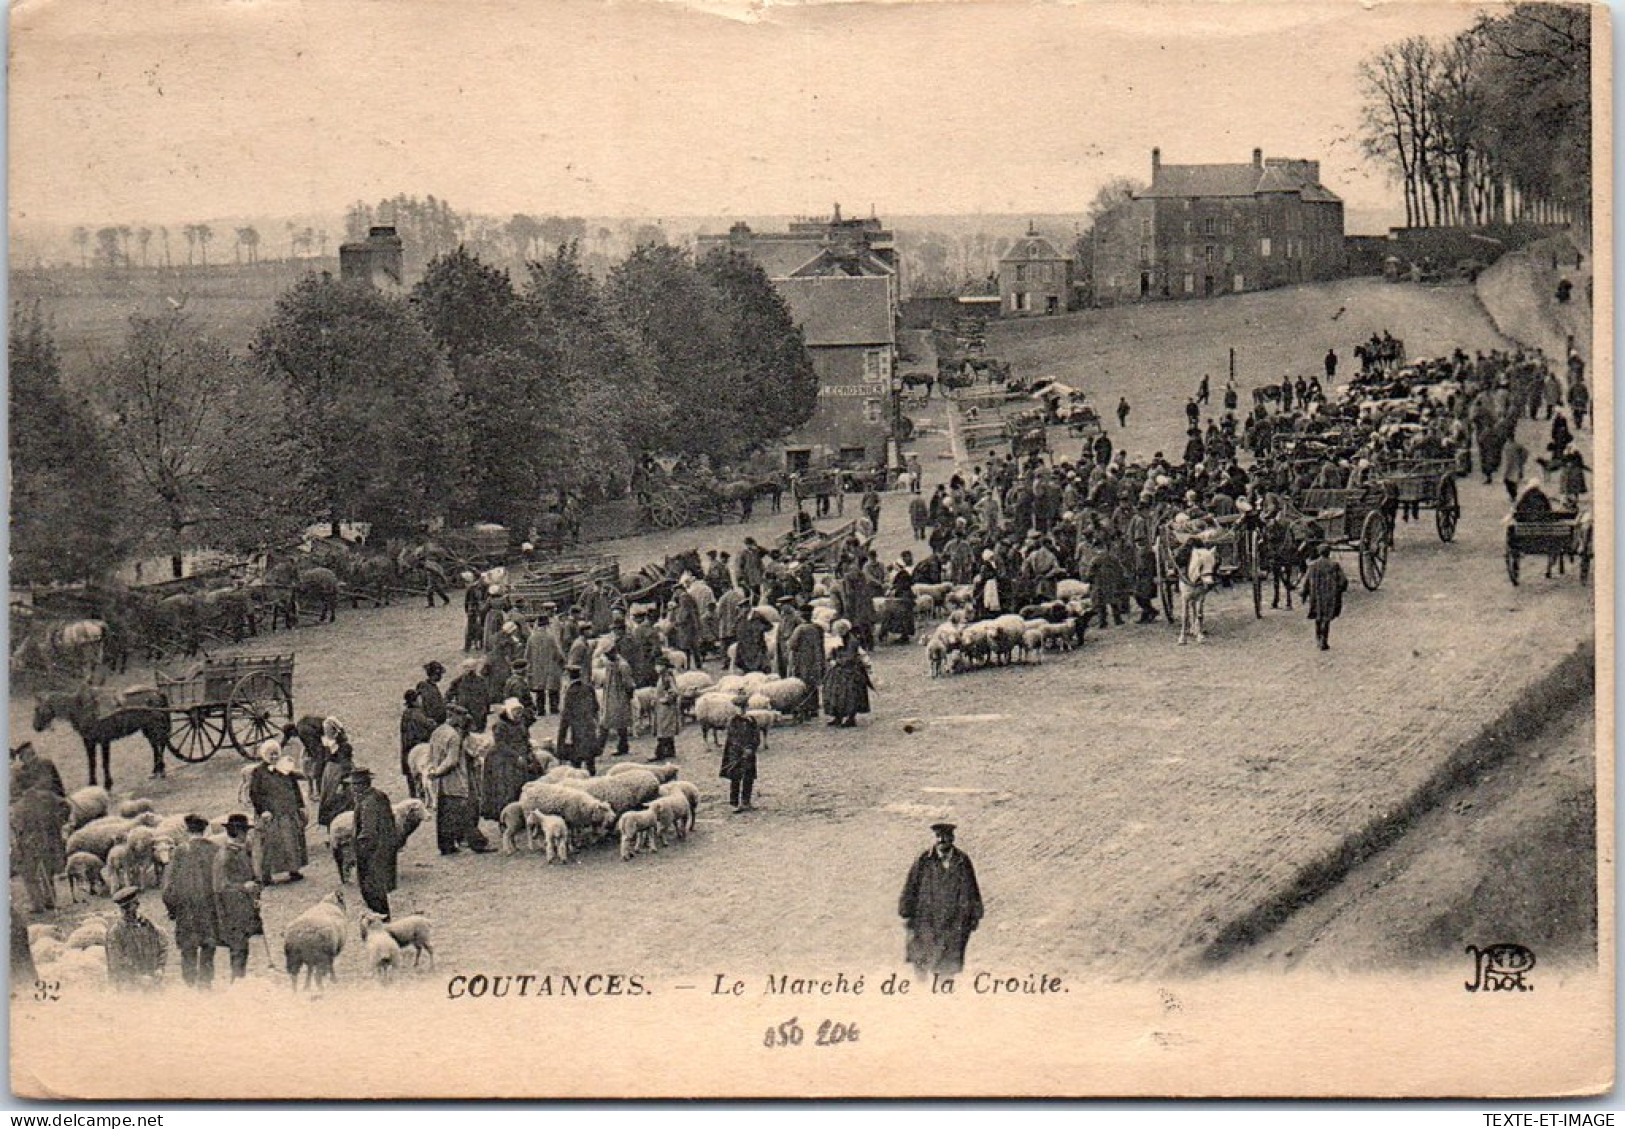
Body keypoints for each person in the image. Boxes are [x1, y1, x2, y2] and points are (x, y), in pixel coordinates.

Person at [898, 823, 984, 979]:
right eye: (939, 837)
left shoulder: (962, 861)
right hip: (926, 920)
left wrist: (975, 915)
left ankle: (944, 996)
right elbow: (911, 885)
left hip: (953, 922)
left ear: (952, 838)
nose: (942, 840)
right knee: (922, 961)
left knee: (947, 966)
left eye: (946, 837)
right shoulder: (924, 860)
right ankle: (920, 996)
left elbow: (972, 888)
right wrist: (906, 911)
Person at [161, 814, 221, 988]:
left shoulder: (180, 851)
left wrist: (172, 908)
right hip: (210, 907)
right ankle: (205, 982)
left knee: (188, 946)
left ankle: (189, 983)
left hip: (186, 909)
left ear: (187, 831)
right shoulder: (215, 849)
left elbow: (168, 885)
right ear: (205, 830)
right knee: (209, 944)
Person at [428, 705, 491, 854]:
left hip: (441, 783)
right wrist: (438, 772)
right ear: (454, 716)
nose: (463, 720)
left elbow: (432, 754)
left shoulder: (437, 732)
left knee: (444, 814)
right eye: (461, 717)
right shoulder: (454, 736)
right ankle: (478, 843)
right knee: (464, 812)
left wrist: (434, 771)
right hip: (455, 780)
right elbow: (452, 760)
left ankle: (446, 846)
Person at [248, 739, 308, 884]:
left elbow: (294, 788)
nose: (274, 757)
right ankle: (266, 876)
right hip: (271, 814)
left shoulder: (284, 768)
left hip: (287, 812)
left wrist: (300, 806)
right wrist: (263, 810)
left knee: (291, 842)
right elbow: (254, 793)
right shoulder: (258, 772)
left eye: (276, 754)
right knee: (269, 845)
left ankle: (294, 870)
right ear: (264, 755)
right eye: (271, 754)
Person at [211, 814, 263, 981]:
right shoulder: (224, 856)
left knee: (242, 948)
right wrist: (243, 887)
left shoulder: (240, 851)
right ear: (239, 832)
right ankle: (237, 985)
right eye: (245, 832)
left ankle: (239, 981)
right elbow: (220, 887)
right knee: (238, 949)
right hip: (231, 910)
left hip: (243, 907)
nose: (247, 836)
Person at [11, 777, 69, 912]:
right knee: (47, 871)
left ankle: (38, 905)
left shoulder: (19, 807)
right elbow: (65, 805)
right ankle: (50, 900)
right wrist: (60, 821)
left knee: (30, 875)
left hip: (29, 843)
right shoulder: (47, 796)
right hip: (48, 840)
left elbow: (18, 828)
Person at [348, 768, 401, 917]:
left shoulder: (367, 803)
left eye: (353, 785)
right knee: (379, 887)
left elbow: (368, 832)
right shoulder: (380, 796)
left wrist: (359, 852)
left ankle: (382, 920)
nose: (351, 789)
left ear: (360, 786)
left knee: (372, 889)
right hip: (385, 847)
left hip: (372, 853)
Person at [105, 886, 168, 990]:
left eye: (135, 904)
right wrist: (137, 978)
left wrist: (160, 968)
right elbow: (116, 963)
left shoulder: (148, 925)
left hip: (152, 982)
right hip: (129, 987)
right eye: (126, 908)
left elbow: (163, 945)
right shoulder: (116, 932)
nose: (130, 912)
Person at [483, 698, 535, 820]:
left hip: (521, 756)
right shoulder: (500, 725)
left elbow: (525, 739)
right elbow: (501, 745)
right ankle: (505, 815)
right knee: (506, 787)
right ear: (509, 711)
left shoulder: (521, 723)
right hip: (504, 759)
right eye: (516, 711)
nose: (519, 714)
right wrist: (516, 756)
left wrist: (529, 752)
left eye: (519, 711)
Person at [824, 621, 874, 728]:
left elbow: (850, 657)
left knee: (849, 694)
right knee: (834, 692)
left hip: (851, 670)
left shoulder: (852, 641)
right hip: (838, 670)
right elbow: (832, 652)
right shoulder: (839, 639)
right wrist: (830, 658)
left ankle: (851, 718)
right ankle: (837, 716)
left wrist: (837, 661)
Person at [1300, 543, 1349, 651]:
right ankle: (1324, 640)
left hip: (1316, 596)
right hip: (1329, 596)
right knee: (1326, 618)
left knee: (1318, 617)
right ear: (1329, 553)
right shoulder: (1334, 565)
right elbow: (1343, 581)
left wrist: (1303, 594)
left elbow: (1306, 582)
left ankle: (1318, 638)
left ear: (1319, 552)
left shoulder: (1312, 565)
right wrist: (1339, 590)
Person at [556, 664, 602, 776]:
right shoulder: (589, 688)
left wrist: (560, 739)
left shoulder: (570, 692)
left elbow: (565, 716)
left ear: (568, 677)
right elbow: (596, 707)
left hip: (576, 730)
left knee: (576, 762)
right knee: (590, 758)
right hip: (590, 727)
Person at [719, 692, 760, 813]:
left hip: (749, 754)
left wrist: (752, 748)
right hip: (735, 754)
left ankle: (746, 801)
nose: (741, 710)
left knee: (749, 776)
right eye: (739, 708)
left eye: (744, 708)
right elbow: (733, 738)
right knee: (735, 777)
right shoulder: (733, 722)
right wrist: (742, 750)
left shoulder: (751, 720)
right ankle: (734, 803)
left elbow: (756, 736)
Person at [315, 719, 355, 830]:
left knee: (341, 801)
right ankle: (330, 828)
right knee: (328, 801)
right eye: (325, 730)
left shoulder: (344, 746)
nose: (326, 732)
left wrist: (343, 780)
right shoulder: (326, 744)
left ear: (335, 731)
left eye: (328, 730)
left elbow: (346, 764)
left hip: (340, 775)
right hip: (329, 775)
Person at [525, 608, 567, 715]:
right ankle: (553, 708)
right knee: (553, 688)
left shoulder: (532, 638)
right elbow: (558, 651)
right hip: (550, 665)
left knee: (539, 689)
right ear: (547, 625)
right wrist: (562, 661)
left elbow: (527, 654)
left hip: (537, 667)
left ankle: (541, 710)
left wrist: (529, 666)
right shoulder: (550, 637)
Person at [600, 646, 636, 758]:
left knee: (619, 722)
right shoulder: (611, 664)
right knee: (612, 721)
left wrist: (628, 697)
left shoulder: (623, 665)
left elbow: (629, 683)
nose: (607, 657)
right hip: (611, 696)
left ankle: (622, 746)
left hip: (619, 697)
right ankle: (617, 746)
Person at [399, 690, 434, 801]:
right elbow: (429, 726)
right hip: (418, 748)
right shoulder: (417, 714)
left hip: (407, 749)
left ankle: (415, 798)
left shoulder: (406, 713)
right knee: (423, 774)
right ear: (415, 701)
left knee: (411, 777)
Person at [650, 656, 682, 763]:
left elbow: (674, 691)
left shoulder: (667, 677)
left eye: (659, 665)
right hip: (661, 708)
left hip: (666, 708)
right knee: (666, 729)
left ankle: (659, 753)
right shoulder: (663, 676)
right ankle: (670, 751)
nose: (657, 667)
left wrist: (666, 699)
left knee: (663, 730)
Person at [416, 662, 448, 726]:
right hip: (431, 722)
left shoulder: (432, 687)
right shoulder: (425, 687)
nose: (441, 677)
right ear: (435, 675)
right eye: (440, 674)